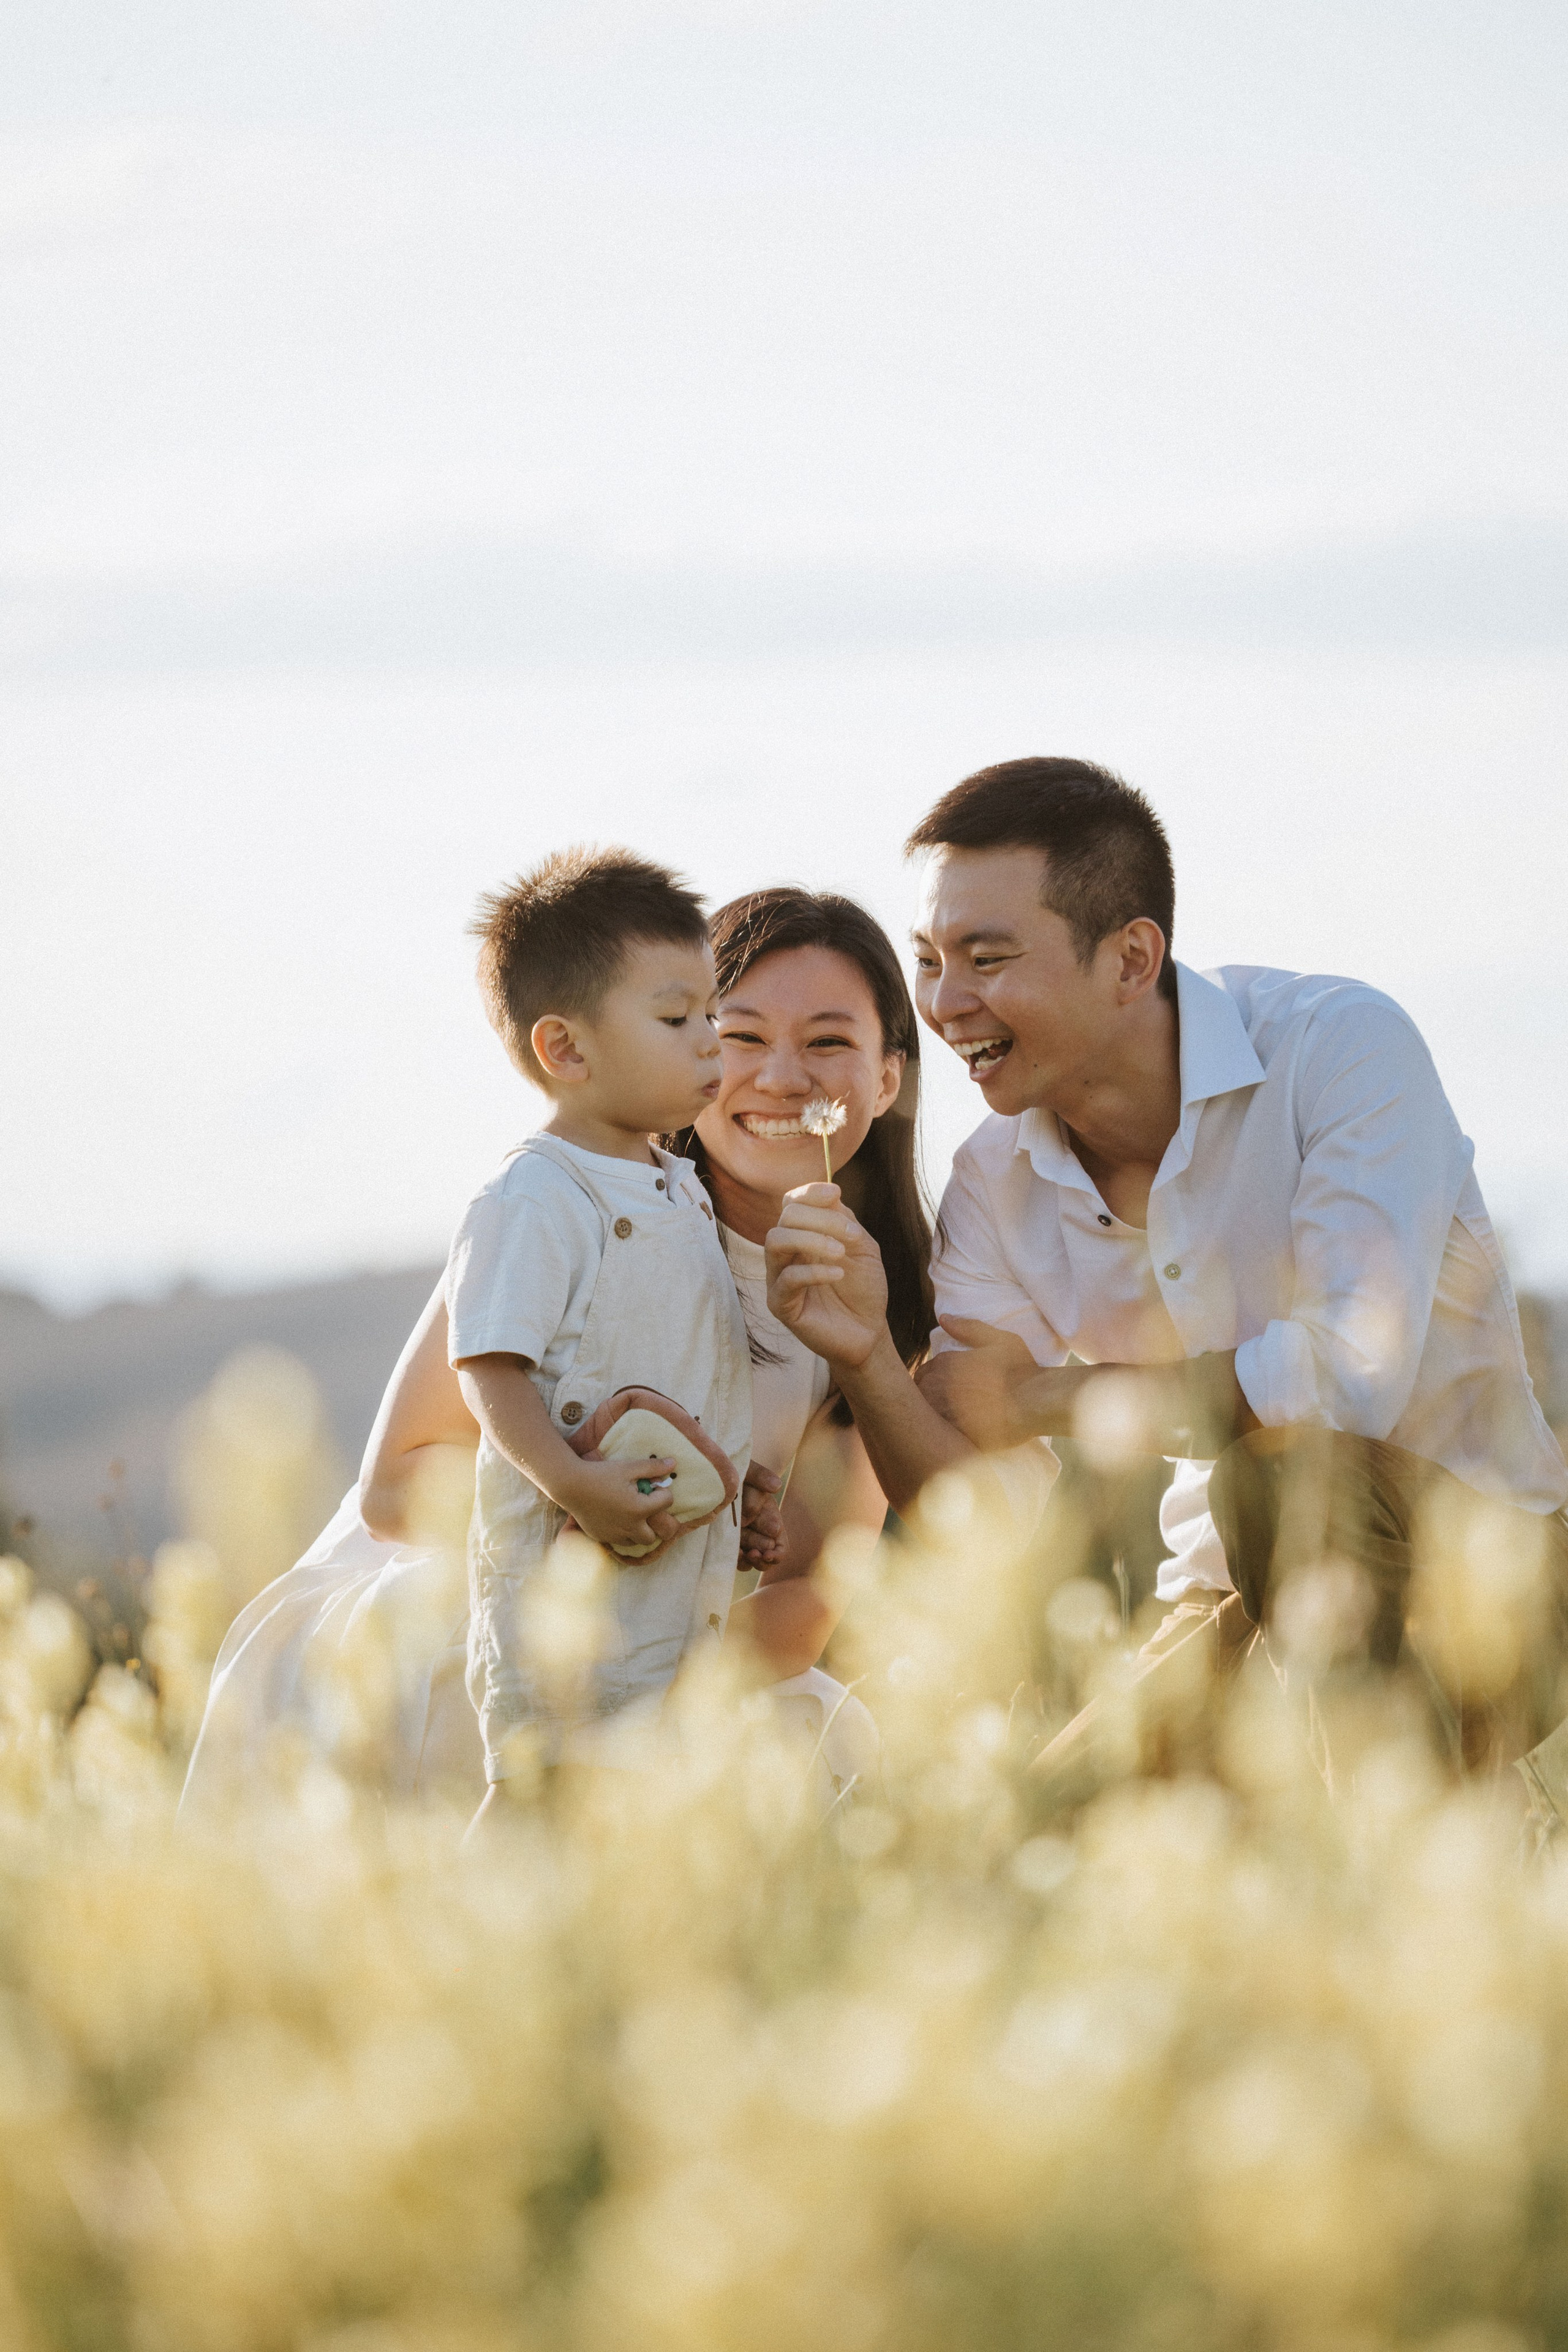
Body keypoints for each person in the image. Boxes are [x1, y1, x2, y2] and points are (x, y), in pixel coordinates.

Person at [766, 756, 1568, 1776]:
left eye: (987, 958)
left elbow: (1342, 1385)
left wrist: (1053, 1396)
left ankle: (1395, 1866)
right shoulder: (992, 1184)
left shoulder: (1340, 1050)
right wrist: (871, 1362)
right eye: (929, 960)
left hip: (1493, 1575)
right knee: (1033, 1847)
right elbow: (982, 1510)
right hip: (1218, 1601)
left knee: (1282, 1474)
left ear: (1132, 959)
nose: (946, 1002)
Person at [183, 880, 932, 1809]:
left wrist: (715, 1537)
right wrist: (584, 1528)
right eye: (738, 1035)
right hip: (465, 1607)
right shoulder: (564, 1206)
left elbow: (806, 1598)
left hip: (660, 1652)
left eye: (828, 1042)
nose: (781, 1078)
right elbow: (392, 1489)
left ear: (889, 1077)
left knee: (801, 1738)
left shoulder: (864, 1302)